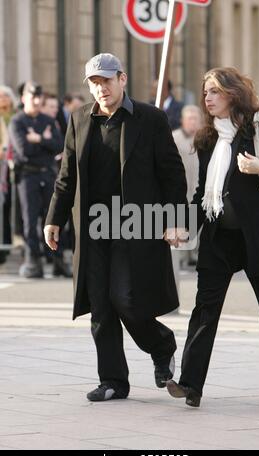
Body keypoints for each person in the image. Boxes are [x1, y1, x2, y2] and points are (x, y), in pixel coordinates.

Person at [44, 53, 188, 402]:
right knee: (100, 305)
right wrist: (54, 218)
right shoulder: (79, 119)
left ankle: (161, 344)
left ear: (122, 79)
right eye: (94, 82)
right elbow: (67, 178)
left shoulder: (151, 119)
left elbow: (172, 173)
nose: (100, 88)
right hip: (92, 228)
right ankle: (112, 380)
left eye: (106, 80)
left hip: (135, 225)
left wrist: (175, 220)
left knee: (126, 299)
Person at [166, 67, 259, 408]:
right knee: (205, 309)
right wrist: (182, 225)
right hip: (219, 237)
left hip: (256, 237)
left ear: (233, 93)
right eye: (205, 92)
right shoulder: (207, 139)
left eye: (215, 91)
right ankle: (190, 385)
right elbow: (202, 192)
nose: (208, 98)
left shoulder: (258, 127)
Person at [9, 81, 71, 278]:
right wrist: (44, 143)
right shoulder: (18, 121)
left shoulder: (47, 120)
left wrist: (39, 139)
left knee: (52, 217)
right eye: (32, 97)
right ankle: (32, 259)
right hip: (28, 175)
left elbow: (59, 145)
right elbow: (24, 151)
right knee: (30, 219)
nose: (36, 101)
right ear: (24, 98)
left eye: (39, 97)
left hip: (47, 172)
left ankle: (57, 259)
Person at [173, 105, 203, 267]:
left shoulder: (204, 138)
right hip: (182, 189)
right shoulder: (174, 138)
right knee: (182, 221)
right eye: (189, 118)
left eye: (195, 118)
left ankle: (196, 255)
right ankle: (183, 257)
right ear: (182, 121)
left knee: (198, 222)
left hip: (199, 188)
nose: (192, 122)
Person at [0, 86, 17, 264]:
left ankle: (9, 241)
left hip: (13, 167)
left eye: (5, 96)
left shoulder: (15, 116)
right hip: (2, 166)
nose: (3, 99)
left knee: (11, 206)